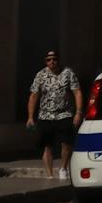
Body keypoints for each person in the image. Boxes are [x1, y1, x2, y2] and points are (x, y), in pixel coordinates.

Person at [26, 50, 81, 181]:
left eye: (54, 59)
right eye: (49, 60)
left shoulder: (68, 73)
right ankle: (49, 174)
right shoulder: (41, 75)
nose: (52, 62)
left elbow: (77, 92)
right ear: (45, 61)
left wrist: (78, 112)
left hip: (64, 113)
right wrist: (30, 116)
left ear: (59, 60)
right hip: (46, 116)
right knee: (47, 145)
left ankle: (63, 168)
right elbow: (34, 95)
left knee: (66, 143)